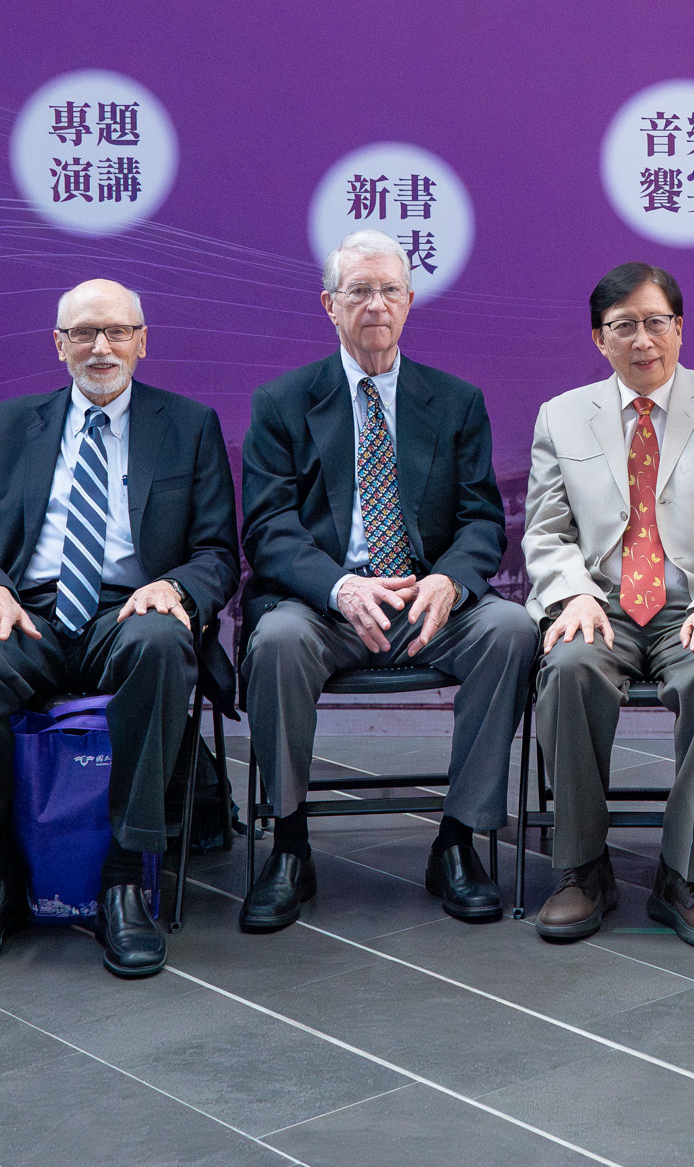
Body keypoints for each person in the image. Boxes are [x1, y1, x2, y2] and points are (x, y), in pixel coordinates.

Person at [0, 280, 238, 978]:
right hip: (28, 612)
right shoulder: (2, 428)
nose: (102, 348)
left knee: (161, 641)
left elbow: (218, 553)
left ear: (142, 342)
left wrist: (176, 587)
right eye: (85, 334)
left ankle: (127, 879)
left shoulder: (187, 424)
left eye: (118, 332)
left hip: (127, 609)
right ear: (58, 345)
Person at [239, 229, 535, 934]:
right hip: (327, 606)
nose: (376, 304)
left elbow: (481, 521)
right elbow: (269, 529)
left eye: (389, 290)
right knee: (276, 640)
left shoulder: (455, 401)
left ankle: (458, 839)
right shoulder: (282, 402)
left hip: (426, 602)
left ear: (410, 302)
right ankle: (288, 844)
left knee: (510, 628)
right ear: (329, 305)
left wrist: (450, 582)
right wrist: (340, 587)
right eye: (359, 291)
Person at [524, 262, 694, 950]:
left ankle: (687, 877)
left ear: (680, 328)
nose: (643, 340)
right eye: (624, 327)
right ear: (598, 338)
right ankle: (582, 868)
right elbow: (546, 532)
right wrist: (574, 593)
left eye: (656, 322)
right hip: (602, 605)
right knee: (569, 667)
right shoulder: (561, 415)